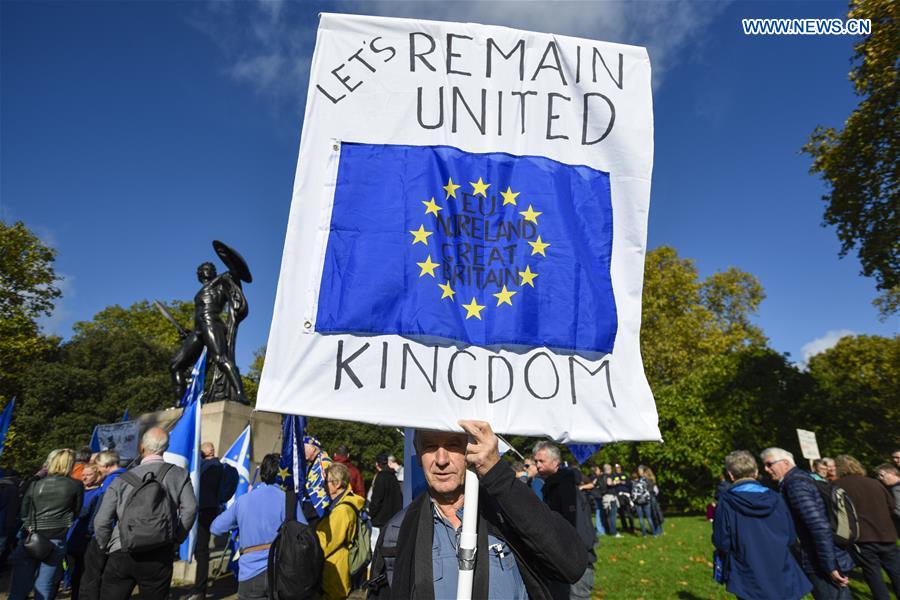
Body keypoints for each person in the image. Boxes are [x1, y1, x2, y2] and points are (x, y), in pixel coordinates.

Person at [368, 421, 587, 599]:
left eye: (454, 445)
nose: (441, 460)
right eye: (430, 446)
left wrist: (498, 474)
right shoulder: (398, 530)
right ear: (418, 453)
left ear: (473, 449)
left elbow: (572, 564)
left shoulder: (505, 512)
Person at [92, 427, 197, 599]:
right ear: (166, 447)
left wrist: (106, 545)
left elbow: (102, 520)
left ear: (141, 447)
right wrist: (177, 537)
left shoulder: (121, 480)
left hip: (122, 548)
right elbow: (190, 509)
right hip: (159, 549)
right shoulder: (179, 474)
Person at [713, 450, 811, 600]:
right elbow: (791, 537)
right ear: (756, 472)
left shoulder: (726, 502)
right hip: (780, 570)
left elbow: (722, 541)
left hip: (746, 574)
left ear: (731, 475)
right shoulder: (777, 498)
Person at [761, 447, 854, 600]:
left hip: (821, 561)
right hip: (828, 555)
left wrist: (829, 565)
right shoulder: (803, 477)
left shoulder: (795, 484)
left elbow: (818, 525)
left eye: (769, 464)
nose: (766, 469)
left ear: (785, 463)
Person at [211, 453, 306, 600]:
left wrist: (240, 520)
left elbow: (216, 528)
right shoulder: (288, 500)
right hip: (281, 572)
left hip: (249, 574)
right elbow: (305, 534)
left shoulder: (243, 500)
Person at [170, 260, 250, 405]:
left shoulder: (221, 282)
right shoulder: (201, 290)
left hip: (212, 323)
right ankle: (180, 403)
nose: (207, 270)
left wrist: (226, 256)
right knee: (175, 365)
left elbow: (236, 271)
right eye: (204, 269)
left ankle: (240, 393)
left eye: (210, 268)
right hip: (198, 328)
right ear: (199, 274)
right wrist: (189, 332)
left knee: (220, 358)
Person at [9, 448, 83, 600]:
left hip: (30, 536)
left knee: (19, 586)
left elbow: (23, 512)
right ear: (70, 465)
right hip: (55, 538)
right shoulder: (76, 485)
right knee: (45, 584)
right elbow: (76, 511)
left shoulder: (35, 484)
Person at [534, 441, 595, 600]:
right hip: (560, 560)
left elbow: (577, 525)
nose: (538, 465)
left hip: (575, 562)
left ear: (555, 463)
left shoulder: (564, 487)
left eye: (542, 461)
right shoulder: (552, 486)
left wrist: (575, 556)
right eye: (536, 461)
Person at [835, 454, 900, 600]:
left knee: (873, 574)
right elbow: (891, 506)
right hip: (886, 534)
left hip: (863, 537)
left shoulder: (838, 486)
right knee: (896, 571)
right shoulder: (875, 483)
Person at [191, 441, 237, 600]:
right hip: (210, 508)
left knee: (201, 550)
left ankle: (199, 590)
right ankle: (199, 589)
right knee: (201, 549)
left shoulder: (208, 467)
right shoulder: (218, 467)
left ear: (207, 451)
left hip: (202, 509)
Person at [77, 450, 124, 600]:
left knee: (90, 576)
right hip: (117, 534)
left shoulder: (111, 481)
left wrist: (92, 531)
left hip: (101, 534)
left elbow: (102, 511)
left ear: (106, 466)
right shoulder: (127, 476)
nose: (97, 470)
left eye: (98, 466)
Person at [315, 463, 366, 600]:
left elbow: (327, 542)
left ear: (337, 484)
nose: (324, 486)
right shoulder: (346, 503)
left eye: (326, 482)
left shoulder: (341, 510)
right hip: (338, 567)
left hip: (336, 572)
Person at [65, 463, 103, 600]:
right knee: (71, 570)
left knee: (81, 573)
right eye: (83, 475)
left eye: (88, 475)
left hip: (85, 538)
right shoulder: (78, 490)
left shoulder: (99, 493)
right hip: (71, 536)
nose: (84, 477)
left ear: (97, 475)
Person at [368, 453, 402, 554]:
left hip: (380, 520)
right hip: (393, 517)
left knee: (378, 548)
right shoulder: (393, 477)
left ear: (377, 464)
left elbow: (376, 499)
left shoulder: (380, 477)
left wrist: (371, 513)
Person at [303, 435, 333, 525]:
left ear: (312, 448)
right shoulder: (312, 462)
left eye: (304, 448)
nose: (302, 452)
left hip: (319, 509)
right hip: (311, 509)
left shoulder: (324, 462)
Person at [874, 463, 900, 534]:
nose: (880, 478)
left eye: (882, 475)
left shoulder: (896, 489)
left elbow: (898, 511)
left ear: (892, 474)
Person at [629, 470, 655, 537]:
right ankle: (654, 533)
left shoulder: (631, 484)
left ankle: (644, 534)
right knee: (649, 517)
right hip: (646, 500)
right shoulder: (643, 481)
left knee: (641, 518)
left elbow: (631, 493)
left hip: (637, 502)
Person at [639, 465, 664, 536]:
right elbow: (656, 491)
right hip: (653, 497)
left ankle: (657, 530)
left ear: (645, 473)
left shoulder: (645, 480)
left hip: (649, 497)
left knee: (653, 514)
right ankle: (659, 530)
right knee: (655, 513)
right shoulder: (652, 480)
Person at [611, 464, 634, 533]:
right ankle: (625, 527)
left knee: (629, 512)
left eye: (618, 467)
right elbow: (611, 485)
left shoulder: (625, 475)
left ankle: (632, 527)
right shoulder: (613, 476)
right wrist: (615, 483)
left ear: (620, 468)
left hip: (626, 494)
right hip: (619, 495)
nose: (617, 469)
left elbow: (630, 484)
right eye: (616, 468)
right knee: (621, 512)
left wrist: (623, 482)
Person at [599, 463, 619, 537]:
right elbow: (609, 483)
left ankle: (609, 530)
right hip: (610, 497)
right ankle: (614, 532)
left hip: (605, 497)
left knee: (609, 515)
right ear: (609, 469)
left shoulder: (601, 476)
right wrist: (615, 482)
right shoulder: (608, 476)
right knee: (612, 516)